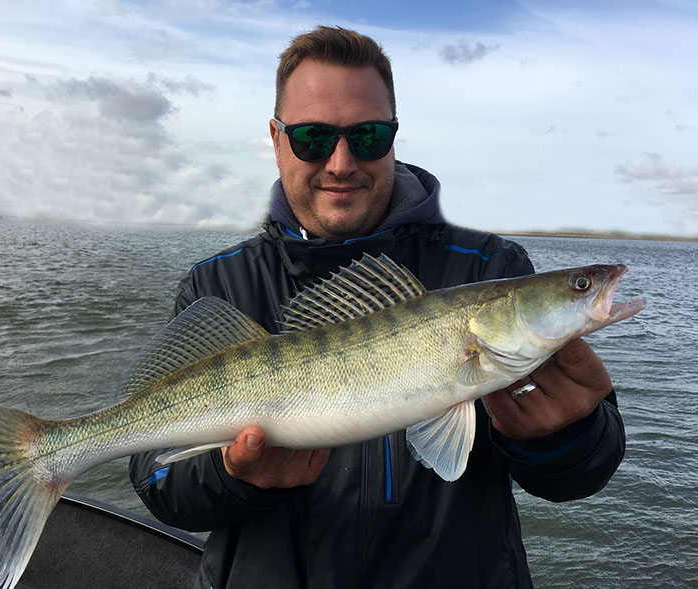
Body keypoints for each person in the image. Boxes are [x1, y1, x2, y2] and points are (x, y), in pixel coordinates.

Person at [130, 26, 624, 588]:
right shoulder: (217, 284)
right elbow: (157, 481)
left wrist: (562, 437)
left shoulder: (492, 266)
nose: (341, 163)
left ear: (393, 137)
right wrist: (236, 476)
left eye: (367, 136)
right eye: (312, 137)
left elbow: (584, 475)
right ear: (276, 138)